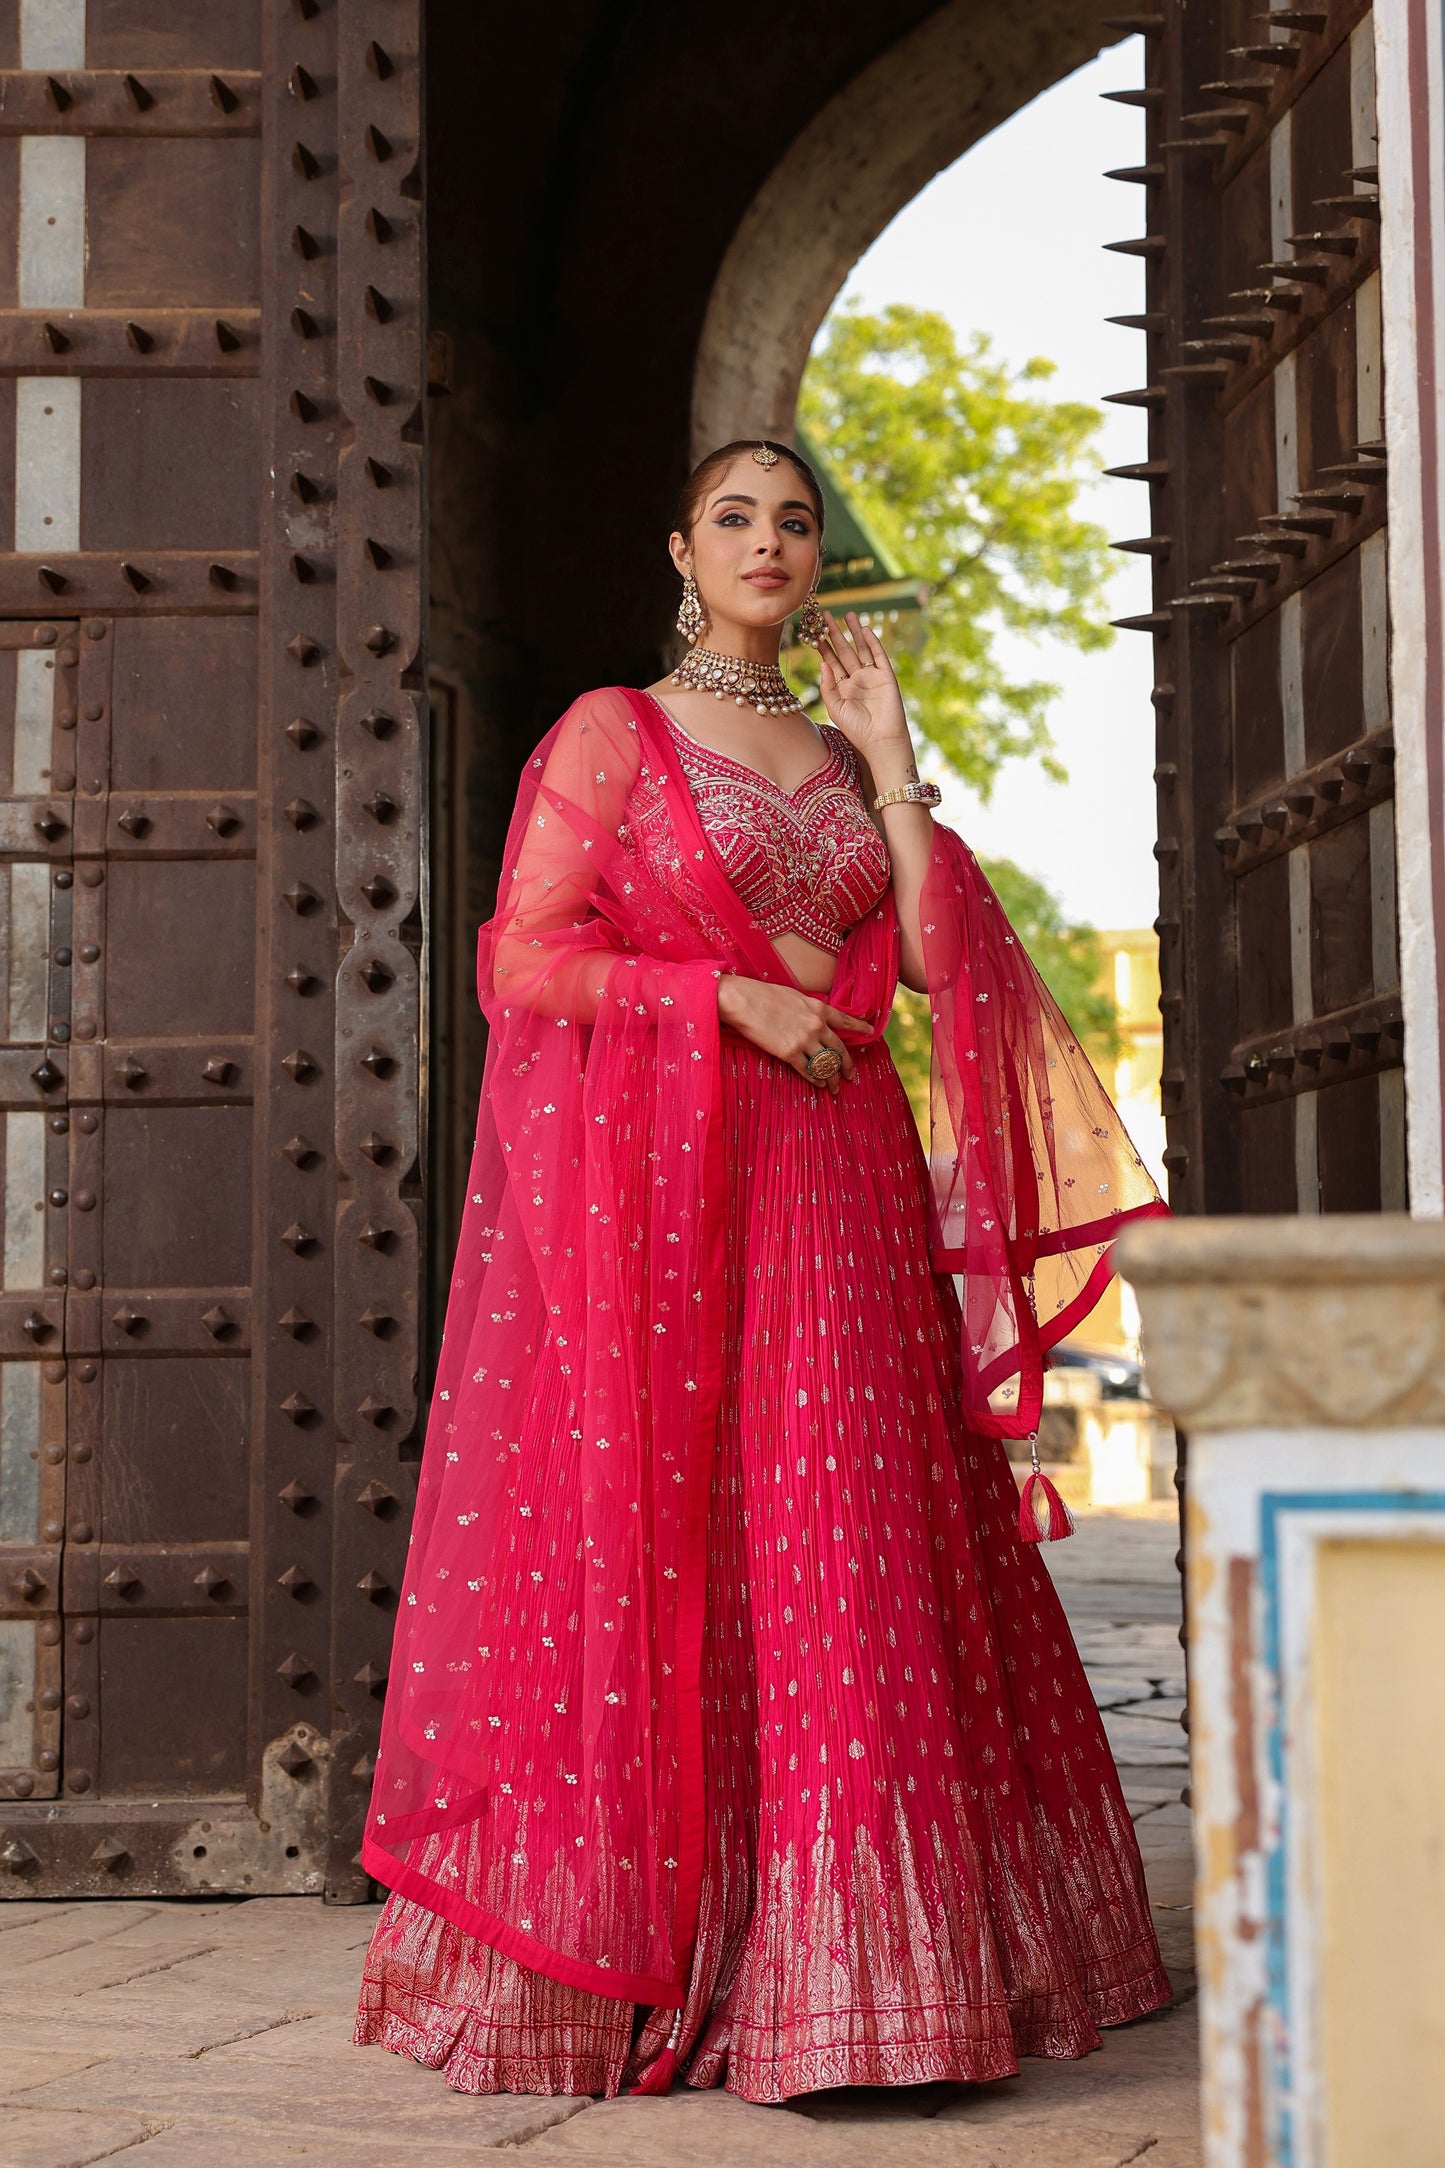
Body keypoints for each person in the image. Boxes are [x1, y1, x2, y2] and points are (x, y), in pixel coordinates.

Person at [353, 439, 1172, 2104]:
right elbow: (523, 958)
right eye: (734, 517)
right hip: (684, 1191)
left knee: (853, 1532)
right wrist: (725, 996)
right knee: (697, 1532)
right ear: (682, 549)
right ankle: (700, 1949)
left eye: (793, 521)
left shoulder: (839, 749)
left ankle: (871, 1986)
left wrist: (893, 759)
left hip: (847, 1182)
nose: (769, 541)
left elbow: (937, 961)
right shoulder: (616, 731)